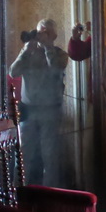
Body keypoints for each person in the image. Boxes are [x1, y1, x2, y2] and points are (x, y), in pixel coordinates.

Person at [9, 19, 69, 186]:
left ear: (54, 35)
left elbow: (56, 68)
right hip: (29, 110)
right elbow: (13, 72)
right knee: (22, 155)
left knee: (50, 156)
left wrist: (48, 47)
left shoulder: (60, 54)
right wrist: (25, 51)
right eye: (40, 32)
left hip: (50, 111)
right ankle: (19, 195)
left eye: (47, 32)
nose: (42, 36)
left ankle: (50, 197)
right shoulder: (29, 54)